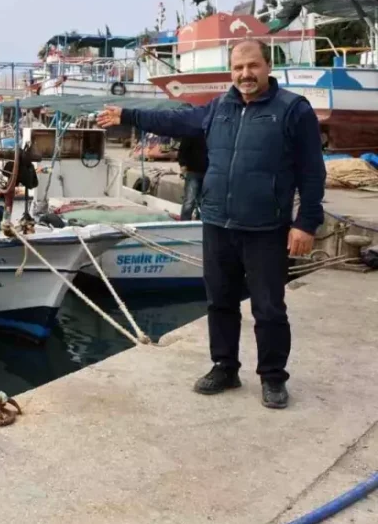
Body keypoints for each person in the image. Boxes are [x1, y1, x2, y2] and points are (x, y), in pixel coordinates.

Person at [96, 39, 325, 409]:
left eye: (252, 66)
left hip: (266, 227)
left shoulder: (293, 111)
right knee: (220, 301)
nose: (245, 74)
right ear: (230, 72)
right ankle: (224, 367)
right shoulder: (219, 108)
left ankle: (272, 377)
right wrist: (129, 115)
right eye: (237, 68)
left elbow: (313, 172)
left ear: (268, 67)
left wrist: (307, 223)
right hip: (217, 223)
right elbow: (175, 120)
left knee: (268, 308)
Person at [177, 131, 207, 220]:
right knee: (189, 200)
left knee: (204, 201)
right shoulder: (192, 132)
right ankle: (184, 222)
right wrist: (182, 164)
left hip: (208, 172)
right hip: (193, 171)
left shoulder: (212, 133)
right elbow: (183, 148)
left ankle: (201, 221)